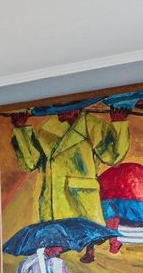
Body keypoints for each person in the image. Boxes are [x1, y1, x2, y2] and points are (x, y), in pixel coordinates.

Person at [11, 107, 129, 261]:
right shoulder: (46, 129)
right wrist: (21, 129)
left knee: (84, 234)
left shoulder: (93, 125)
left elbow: (114, 157)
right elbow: (30, 163)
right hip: (51, 198)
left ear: (77, 108)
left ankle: (88, 251)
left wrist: (118, 123)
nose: (60, 111)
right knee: (53, 243)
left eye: (66, 106)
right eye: (57, 106)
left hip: (81, 199)